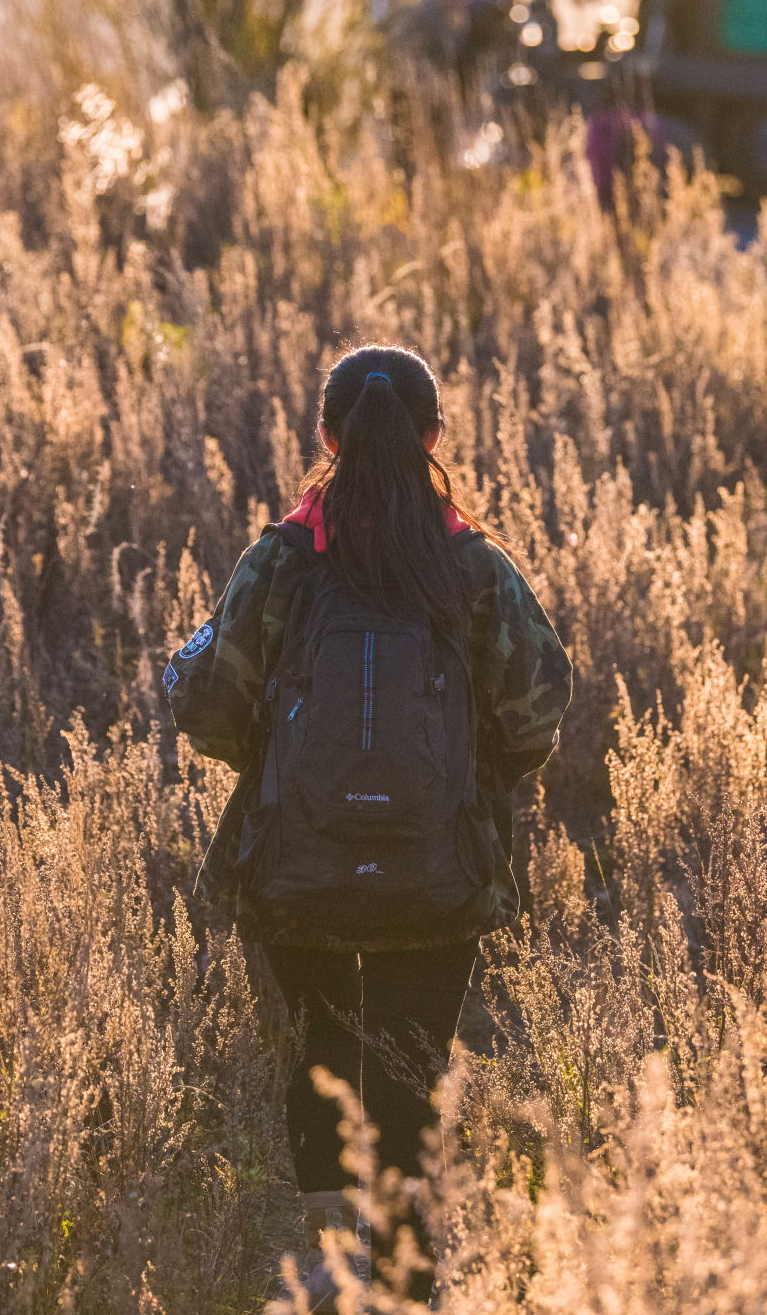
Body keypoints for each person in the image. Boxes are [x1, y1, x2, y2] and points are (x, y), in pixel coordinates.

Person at [164, 344, 571, 1308]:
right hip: (438, 881)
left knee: (318, 1051)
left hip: (294, 875)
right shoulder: (475, 566)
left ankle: (330, 1264)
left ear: (326, 438)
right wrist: (471, 789)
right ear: (435, 438)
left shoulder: (280, 561)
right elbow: (540, 706)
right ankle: (403, 1278)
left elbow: (212, 707)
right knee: (408, 1073)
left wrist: (289, 777)